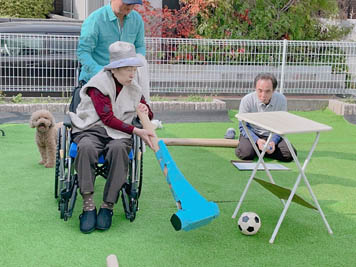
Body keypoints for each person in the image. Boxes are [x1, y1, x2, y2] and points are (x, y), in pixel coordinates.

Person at [69, 41, 155, 234]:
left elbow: (148, 113)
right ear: (115, 69)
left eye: (134, 69)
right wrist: (137, 131)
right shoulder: (98, 84)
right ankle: (88, 205)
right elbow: (107, 118)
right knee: (87, 148)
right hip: (92, 129)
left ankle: (108, 205)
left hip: (119, 134)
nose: (133, 74)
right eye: (128, 70)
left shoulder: (133, 86)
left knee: (118, 149)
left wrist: (145, 111)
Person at [77, 0, 150, 101]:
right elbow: (83, 52)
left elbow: (139, 46)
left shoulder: (136, 19)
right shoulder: (95, 19)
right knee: (100, 116)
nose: (130, 7)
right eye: (127, 3)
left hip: (124, 82)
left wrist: (137, 65)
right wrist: (101, 72)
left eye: (134, 4)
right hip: (96, 82)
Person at [235, 73, 296, 162]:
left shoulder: (281, 100)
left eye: (268, 91)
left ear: (274, 90)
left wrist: (273, 142)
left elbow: (280, 125)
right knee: (245, 154)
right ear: (255, 88)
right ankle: (258, 148)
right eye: (260, 90)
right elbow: (243, 126)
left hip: (271, 134)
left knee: (290, 154)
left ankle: (260, 150)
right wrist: (257, 140)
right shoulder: (247, 100)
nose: (263, 95)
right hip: (253, 133)